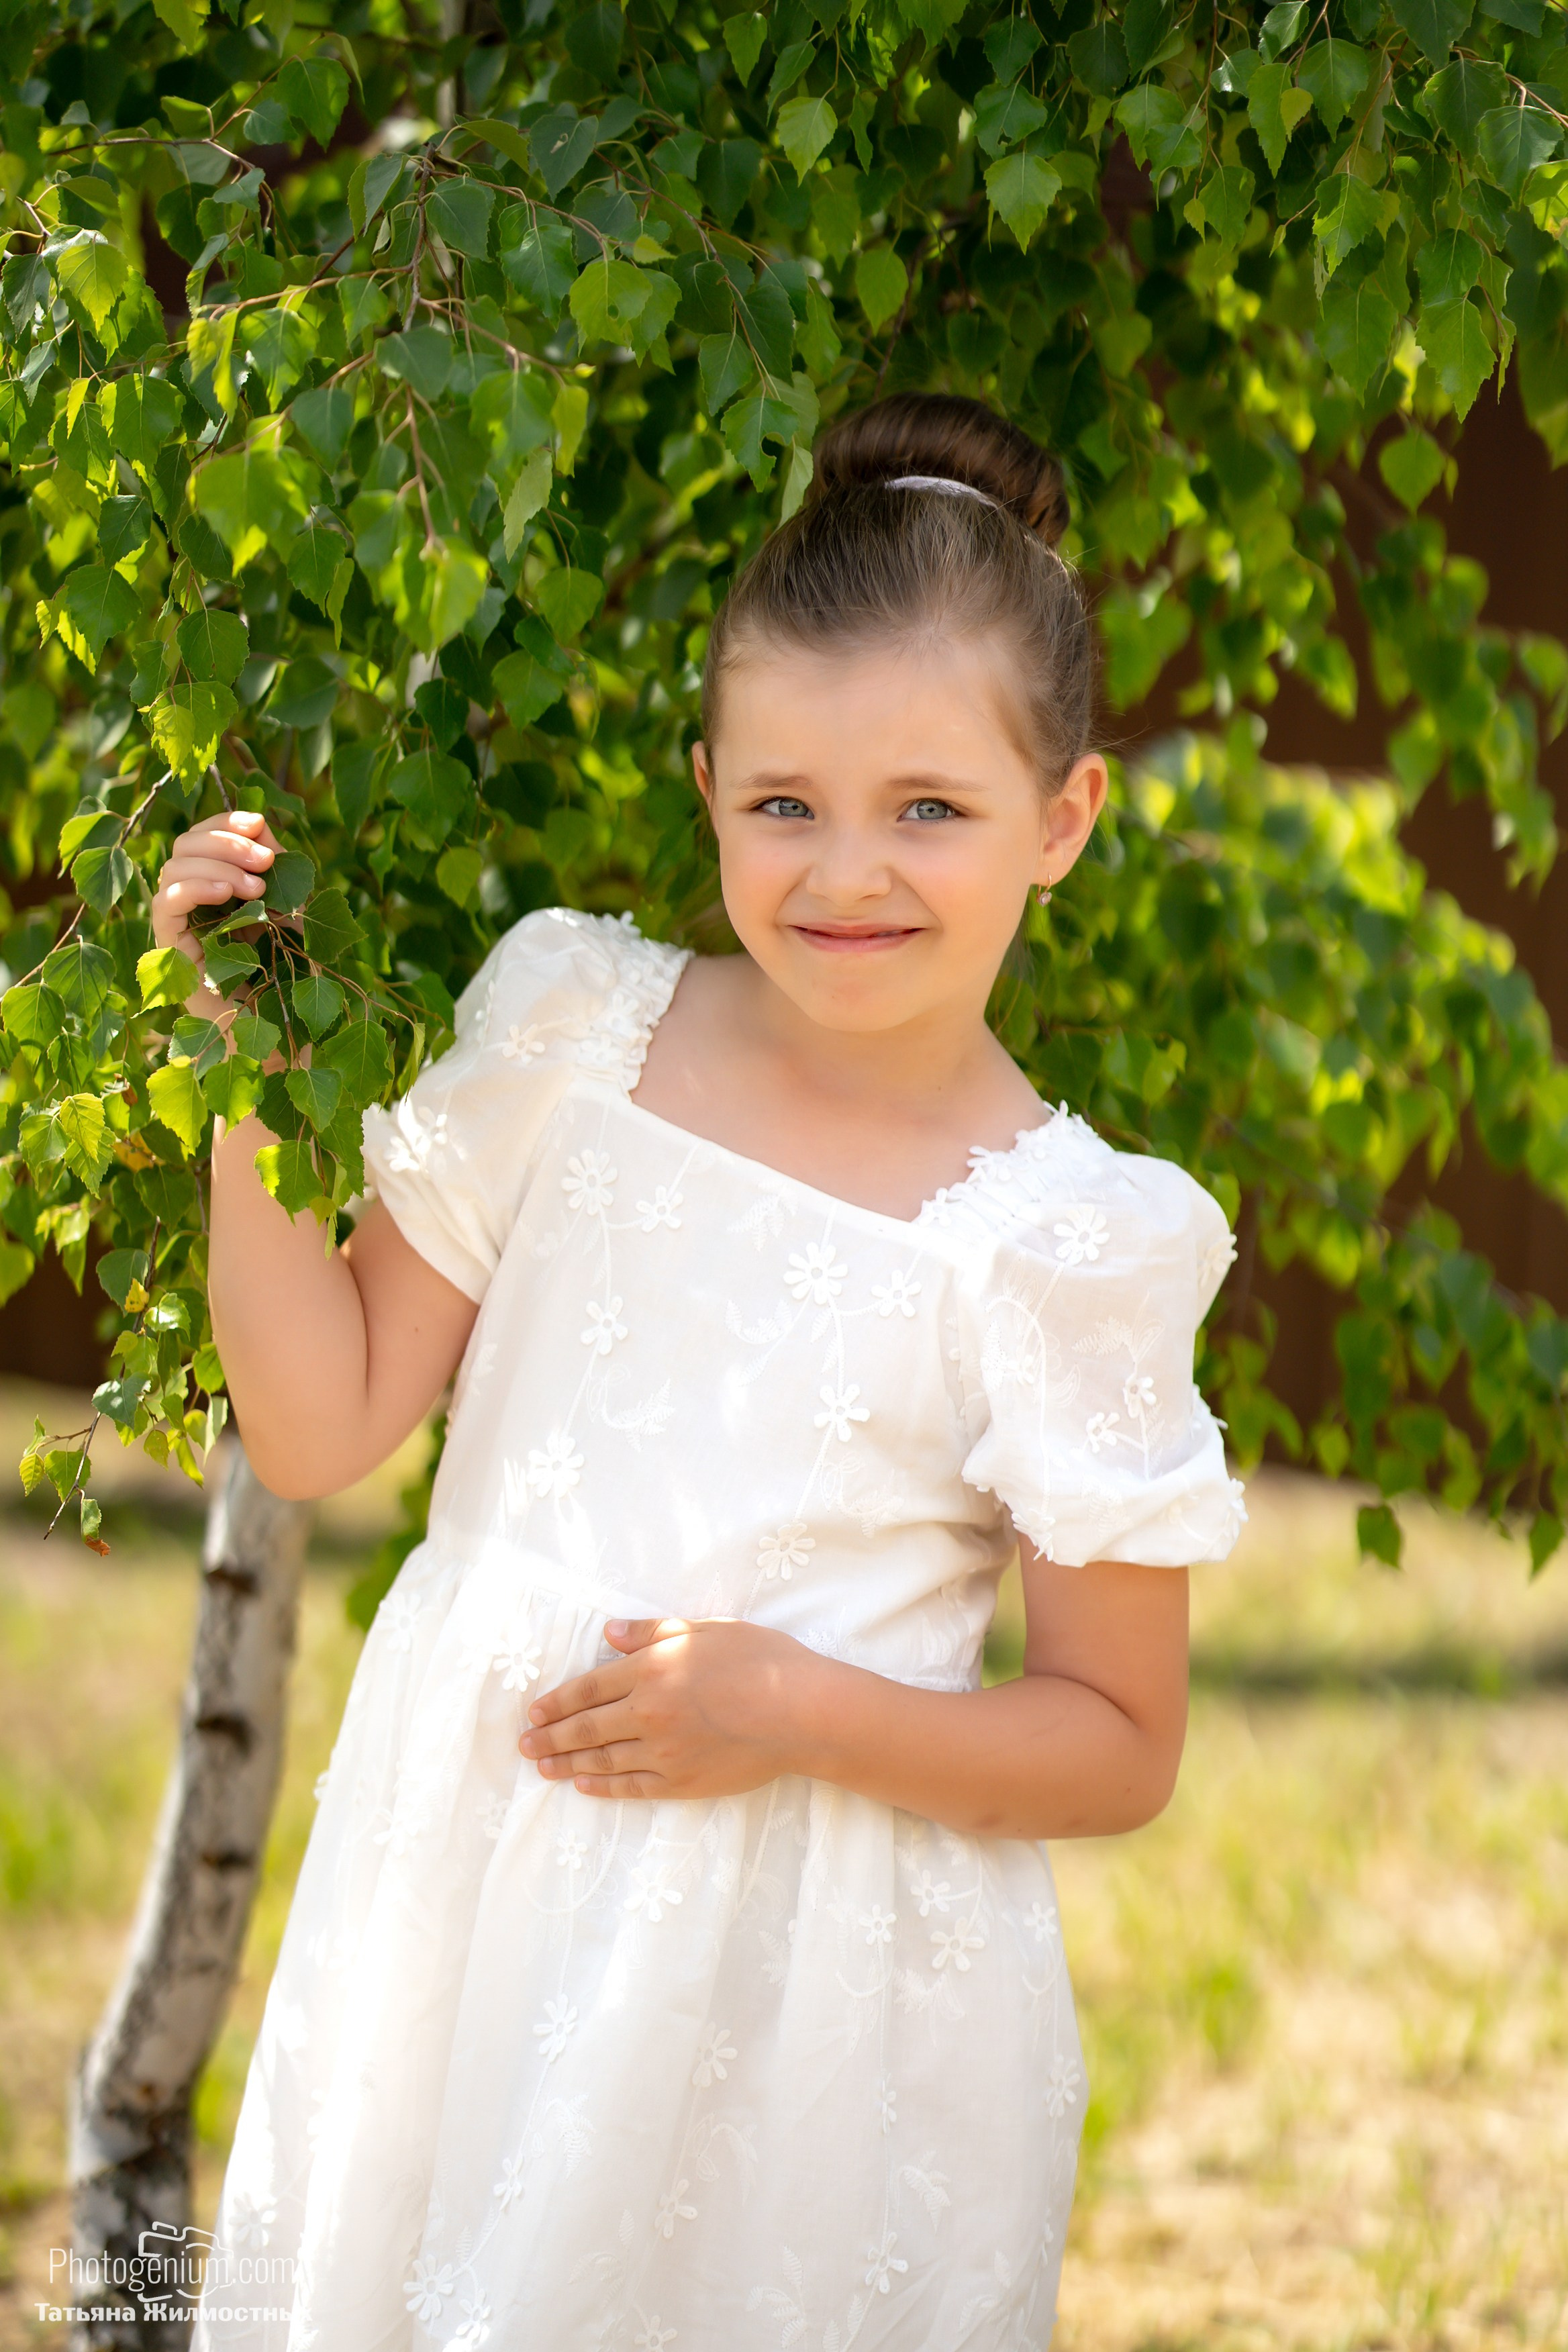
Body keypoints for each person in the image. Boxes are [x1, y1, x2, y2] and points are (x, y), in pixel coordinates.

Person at [164, 391, 1246, 2352]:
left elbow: (1119, 1738)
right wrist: (240, 1074)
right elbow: (318, 1426)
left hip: (812, 2006)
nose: (848, 873)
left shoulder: (1069, 1236)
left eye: (931, 808)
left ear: (1065, 818)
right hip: (468, 1912)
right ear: (707, 785)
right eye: (783, 805)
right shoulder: (576, 1030)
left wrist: (787, 1703)